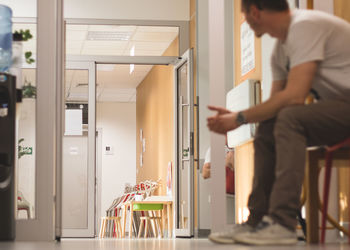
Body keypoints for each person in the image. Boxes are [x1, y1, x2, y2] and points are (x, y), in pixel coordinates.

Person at [207, 0, 350, 246]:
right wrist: (239, 119)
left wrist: (239, 118)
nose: (247, 22)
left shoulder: (304, 26)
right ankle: (255, 222)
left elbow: (294, 97)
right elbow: (276, 104)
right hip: (339, 111)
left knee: (289, 118)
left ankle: (282, 222)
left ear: (254, 12)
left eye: (245, 15)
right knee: (269, 126)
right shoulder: (280, 50)